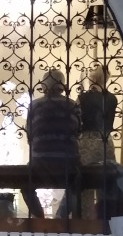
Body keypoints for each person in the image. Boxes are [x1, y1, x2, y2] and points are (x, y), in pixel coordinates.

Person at [22, 68, 81, 218]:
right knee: (76, 185)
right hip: (68, 163)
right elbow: (77, 131)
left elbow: (29, 134)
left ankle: (40, 217)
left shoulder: (34, 105)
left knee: (24, 184)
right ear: (63, 86)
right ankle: (61, 218)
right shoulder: (72, 105)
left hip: (40, 164)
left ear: (43, 86)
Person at [77, 67, 117, 217]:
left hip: (87, 142)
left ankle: (86, 222)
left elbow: (77, 121)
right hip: (106, 142)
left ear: (93, 78)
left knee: (85, 185)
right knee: (105, 183)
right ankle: (105, 221)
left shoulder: (83, 98)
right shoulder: (112, 98)